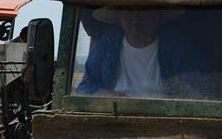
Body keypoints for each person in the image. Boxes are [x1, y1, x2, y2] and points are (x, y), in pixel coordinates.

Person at [76, 8, 206, 97]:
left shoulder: (177, 45)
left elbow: (196, 90)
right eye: (128, 10)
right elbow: (85, 88)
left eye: (144, 10)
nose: (136, 16)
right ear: (120, 16)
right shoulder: (108, 43)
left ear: (157, 14)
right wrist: (105, 95)